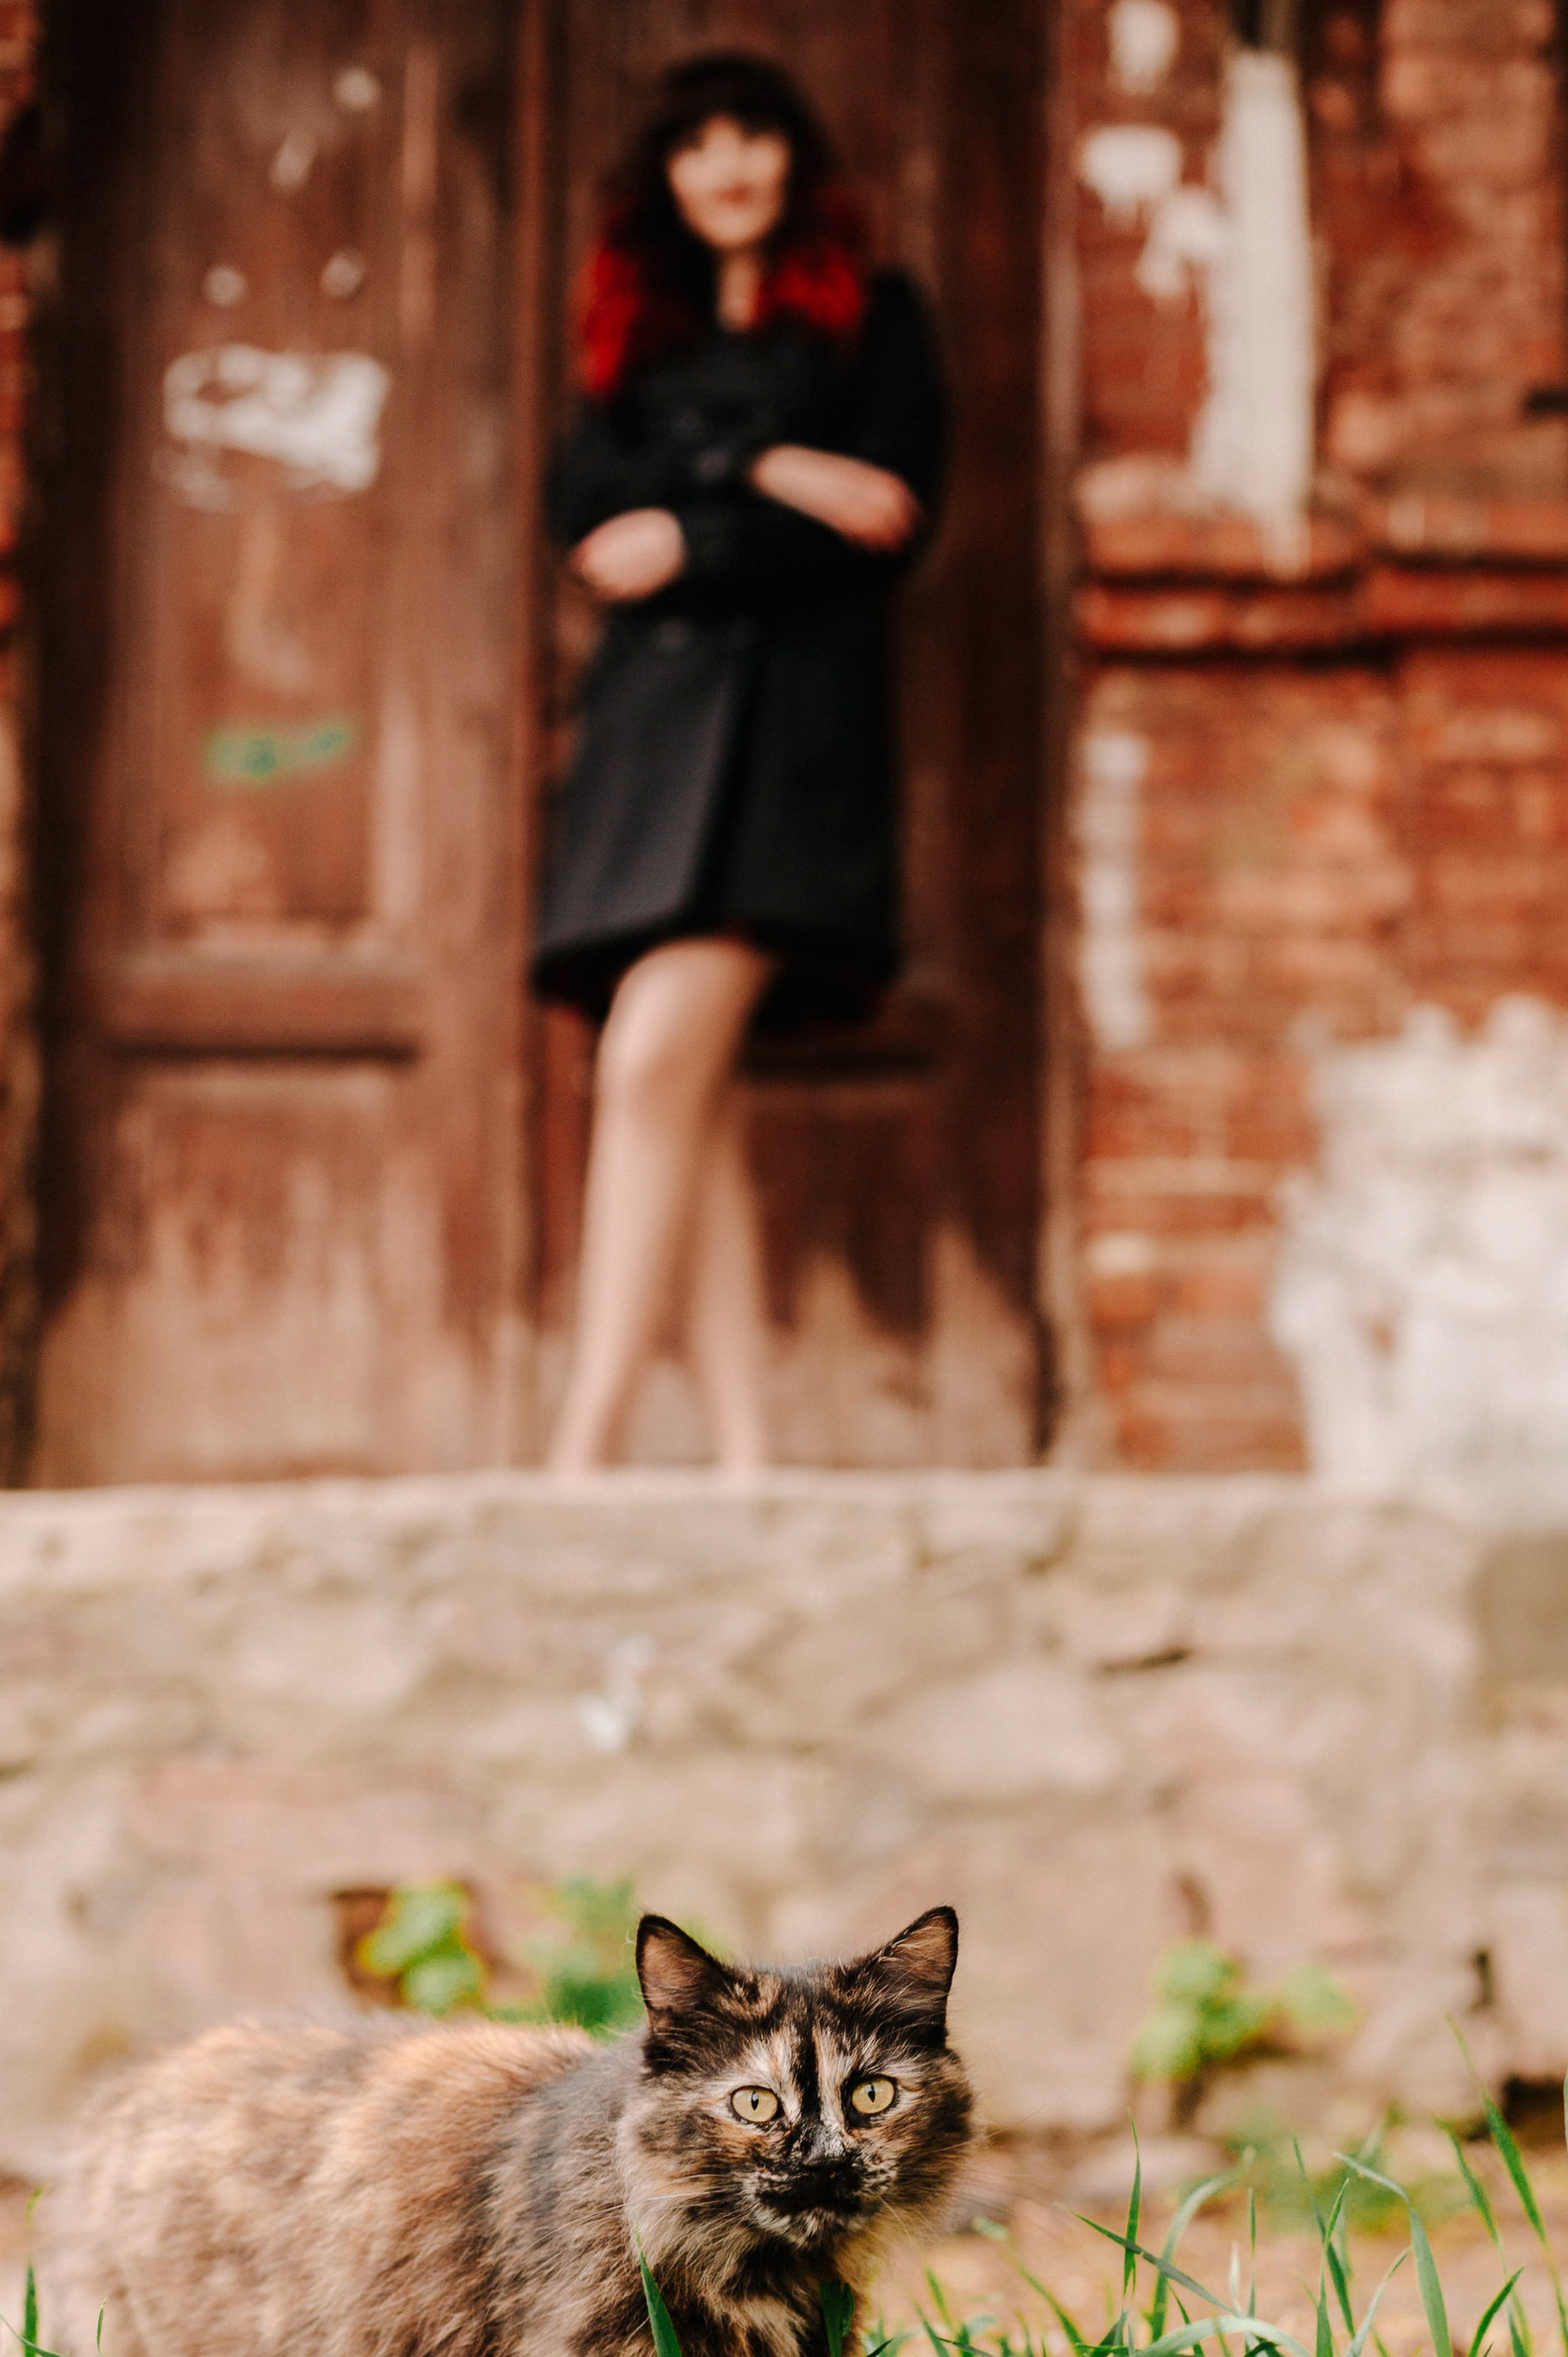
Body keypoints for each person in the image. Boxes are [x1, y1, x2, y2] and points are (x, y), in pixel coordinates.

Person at [534, 53, 946, 1475]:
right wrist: (770, 474)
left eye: (754, 137)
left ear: (794, 158)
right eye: (698, 143)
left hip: (791, 748)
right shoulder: (631, 340)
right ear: (665, 172)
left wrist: (698, 521)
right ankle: (744, 1453)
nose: (728, 167)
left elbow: (890, 510)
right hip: (649, 753)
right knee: (681, 1094)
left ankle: (582, 1443)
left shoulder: (876, 326)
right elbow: (585, 514)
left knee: (651, 1055)